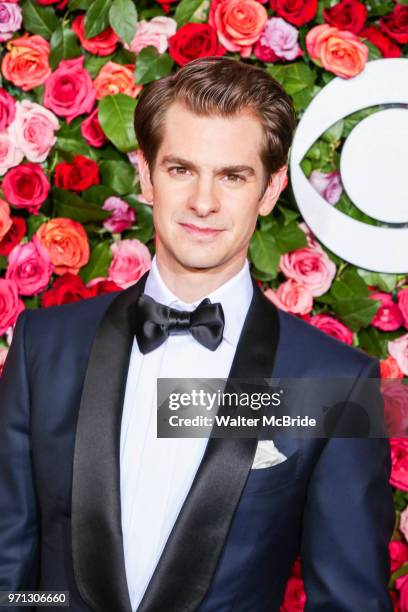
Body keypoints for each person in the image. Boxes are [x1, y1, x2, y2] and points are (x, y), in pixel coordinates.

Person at [0, 56, 394, 612]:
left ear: (270, 188)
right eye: (182, 169)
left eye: (233, 176)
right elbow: (10, 581)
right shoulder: (45, 347)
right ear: (146, 173)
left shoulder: (334, 383)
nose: (203, 203)